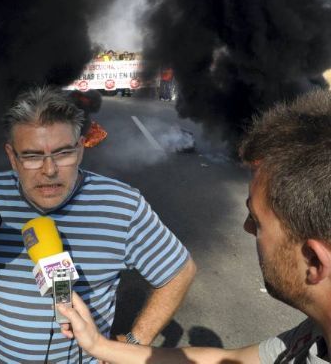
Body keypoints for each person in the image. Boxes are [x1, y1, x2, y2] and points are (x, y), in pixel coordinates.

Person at [0, 86, 196, 363]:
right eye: (32, 156)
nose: (49, 170)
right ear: (12, 157)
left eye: (63, 153)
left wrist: (135, 342)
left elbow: (179, 272)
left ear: (80, 149)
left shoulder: (123, 205)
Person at [57, 89, 331, 363]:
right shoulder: (311, 336)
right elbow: (232, 360)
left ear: (315, 261)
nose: (247, 227)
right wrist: (100, 347)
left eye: (257, 222)